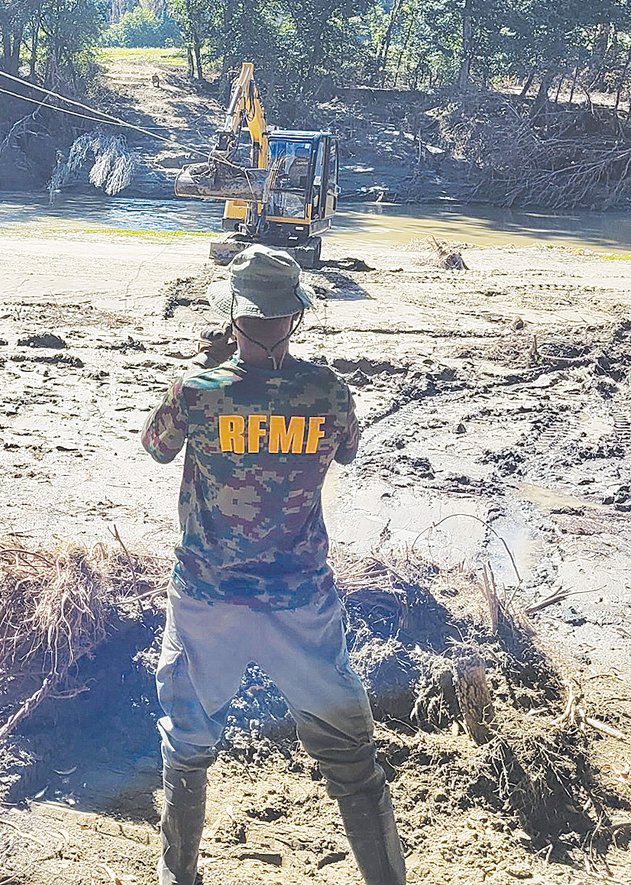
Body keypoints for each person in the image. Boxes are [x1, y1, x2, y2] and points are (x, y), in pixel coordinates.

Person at [141, 243, 407, 885]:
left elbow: (155, 446)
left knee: (188, 745)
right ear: (295, 318)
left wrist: (206, 367)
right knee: (351, 756)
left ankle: (181, 876)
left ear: (233, 316)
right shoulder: (326, 389)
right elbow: (345, 454)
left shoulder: (196, 392)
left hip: (209, 597)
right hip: (301, 600)